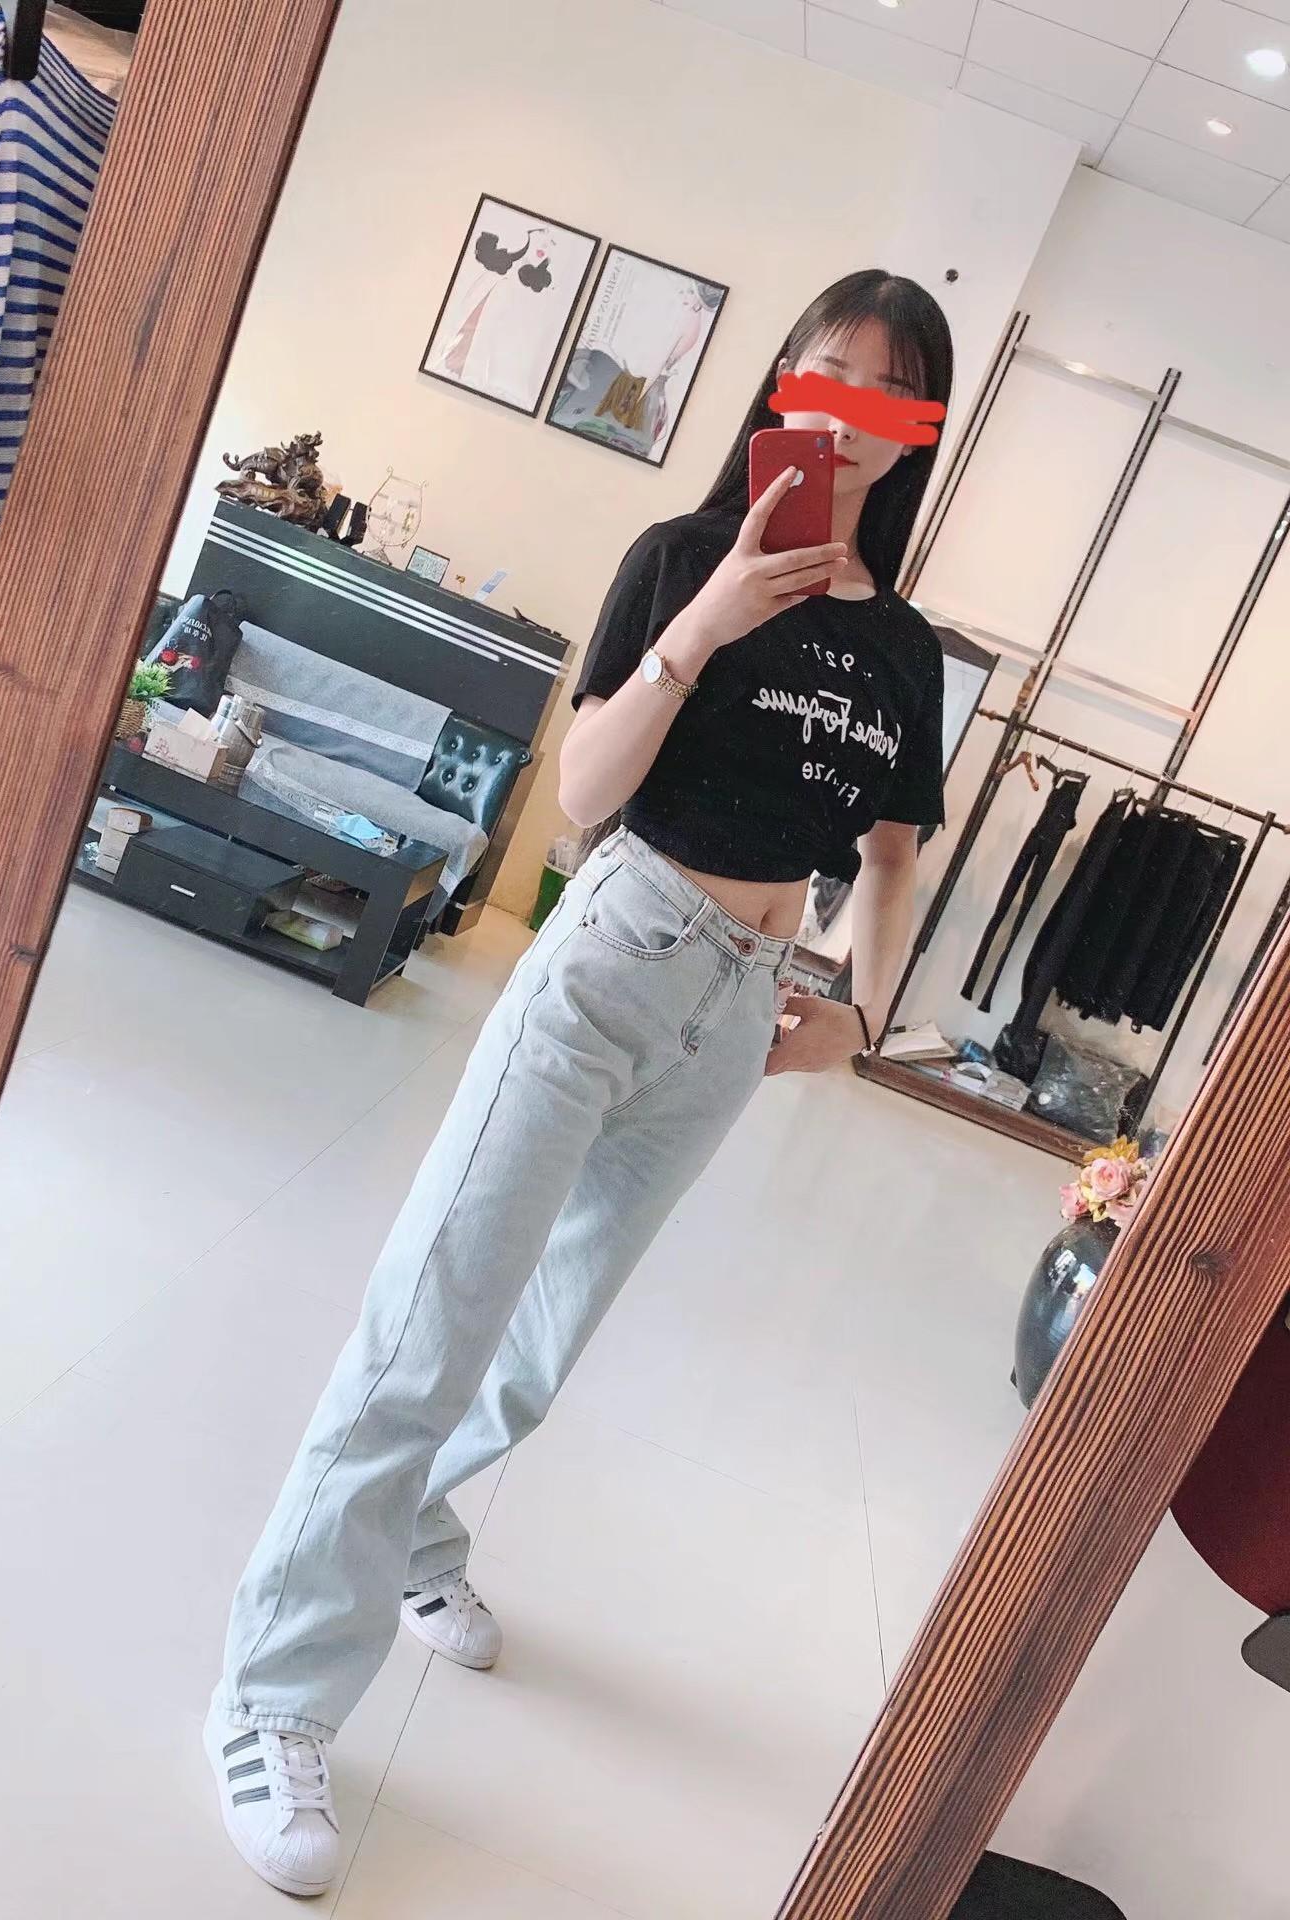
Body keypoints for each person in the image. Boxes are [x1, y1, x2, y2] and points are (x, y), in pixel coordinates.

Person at [203, 267, 955, 1897]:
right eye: (826, 377)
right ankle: (273, 1696)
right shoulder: (681, 559)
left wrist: (864, 1016)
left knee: (537, 1350)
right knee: (434, 1326)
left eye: (887, 397)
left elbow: (892, 858)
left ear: (917, 434)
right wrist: (711, 621)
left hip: (739, 1012)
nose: (847, 417)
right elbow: (579, 802)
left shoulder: (905, 650)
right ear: (782, 386)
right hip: (617, 950)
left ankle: (415, 1530)